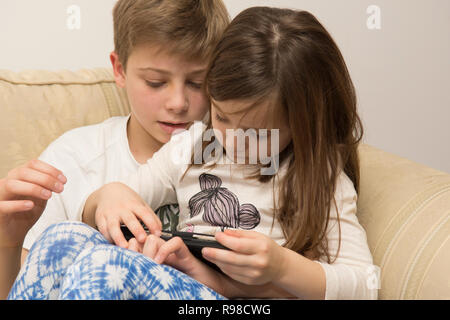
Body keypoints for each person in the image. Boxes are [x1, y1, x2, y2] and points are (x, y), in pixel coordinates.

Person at [8, 6, 379, 300]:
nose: (232, 141)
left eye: (254, 133)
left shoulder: (318, 175)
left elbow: (365, 284)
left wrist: (281, 268)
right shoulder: (194, 145)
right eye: (223, 117)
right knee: (62, 238)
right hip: (180, 281)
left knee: (105, 266)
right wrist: (109, 195)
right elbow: (129, 195)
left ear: (300, 125)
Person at [0, 0, 230, 300]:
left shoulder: (245, 153)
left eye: (197, 83)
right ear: (119, 70)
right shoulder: (75, 158)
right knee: (62, 238)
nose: (177, 103)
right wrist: (8, 243)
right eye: (156, 82)